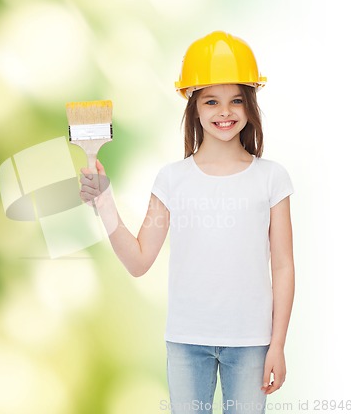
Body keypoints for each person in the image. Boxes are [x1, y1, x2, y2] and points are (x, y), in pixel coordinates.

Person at [79, 31, 295, 414]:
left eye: (236, 101)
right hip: (186, 340)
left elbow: (283, 265)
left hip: (252, 341)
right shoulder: (172, 180)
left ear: (250, 106)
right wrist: (104, 202)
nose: (224, 112)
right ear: (193, 106)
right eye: (211, 101)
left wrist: (277, 343)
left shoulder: (271, 178)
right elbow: (139, 260)